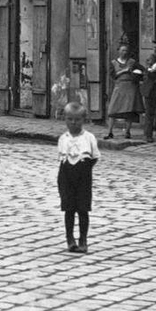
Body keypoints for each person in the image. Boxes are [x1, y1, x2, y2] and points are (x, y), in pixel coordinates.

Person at [56, 101, 99, 253]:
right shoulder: (63, 138)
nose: (73, 123)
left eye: (77, 120)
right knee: (69, 208)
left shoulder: (89, 138)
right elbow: (61, 158)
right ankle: (70, 239)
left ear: (84, 120)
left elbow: (94, 157)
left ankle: (83, 239)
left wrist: (83, 168)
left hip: (83, 176)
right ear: (65, 119)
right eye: (70, 119)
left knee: (83, 209)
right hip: (66, 175)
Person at [104, 41, 144, 140]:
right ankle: (110, 132)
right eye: (122, 50)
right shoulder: (113, 63)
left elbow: (142, 70)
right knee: (113, 110)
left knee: (129, 110)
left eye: (126, 50)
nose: (124, 52)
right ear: (118, 51)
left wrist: (137, 75)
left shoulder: (132, 62)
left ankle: (127, 132)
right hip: (119, 86)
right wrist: (124, 70)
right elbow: (112, 76)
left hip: (131, 87)